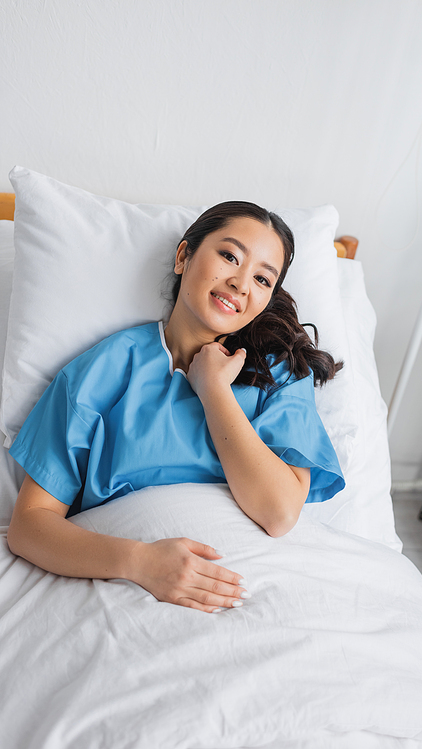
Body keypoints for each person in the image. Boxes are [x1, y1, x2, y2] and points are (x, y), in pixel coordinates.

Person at [7, 202, 344, 614]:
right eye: (229, 256)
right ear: (184, 256)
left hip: (263, 588)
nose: (240, 283)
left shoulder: (279, 373)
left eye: (261, 278)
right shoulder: (103, 369)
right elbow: (29, 527)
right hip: (135, 592)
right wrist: (141, 562)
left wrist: (214, 390)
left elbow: (279, 513)